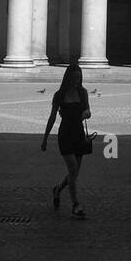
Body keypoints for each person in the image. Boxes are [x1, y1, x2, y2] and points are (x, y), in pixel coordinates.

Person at [41, 63, 91, 218]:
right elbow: (52, 117)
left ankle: (57, 189)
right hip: (65, 134)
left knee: (74, 172)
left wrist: (86, 113)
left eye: (79, 78)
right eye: (74, 77)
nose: (77, 80)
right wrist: (45, 138)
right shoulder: (59, 94)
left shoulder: (83, 92)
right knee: (73, 169)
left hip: (79, 133)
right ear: (68, 77)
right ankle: (76, 205)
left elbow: (88, 110)